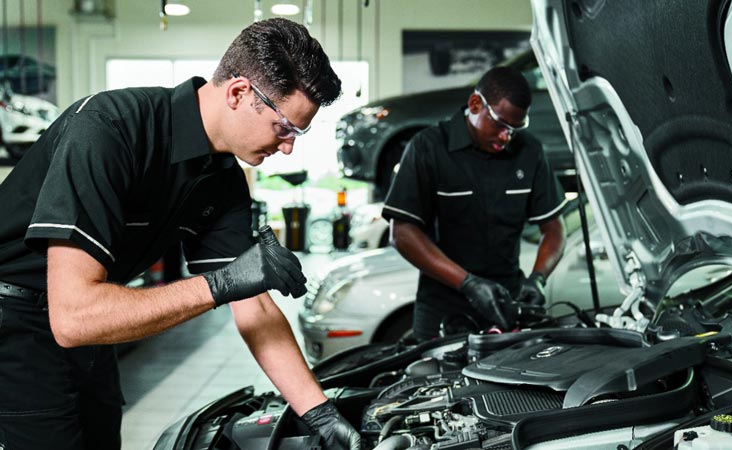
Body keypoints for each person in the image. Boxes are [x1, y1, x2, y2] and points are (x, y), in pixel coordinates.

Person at [0, 18, 360, 450]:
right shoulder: (109, 128)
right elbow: (73, 317)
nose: (288, 147)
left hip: (90, 328)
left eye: (298, 133)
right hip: (14, 321)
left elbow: (255, 307)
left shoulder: (222, 176)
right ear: (239, 92)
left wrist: (319, 413)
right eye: (284, 128)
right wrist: (221, 284)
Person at [382, 66, 567, 340]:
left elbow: (554, 229)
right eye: (501, 125)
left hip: (506, 307)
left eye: (515, 129)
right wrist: (467, 283)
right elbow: (402, 233)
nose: (506, 137)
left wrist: (537, 278)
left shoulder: (530, 152)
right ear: (475, 104)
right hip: (443, 312)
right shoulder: (428, 148)